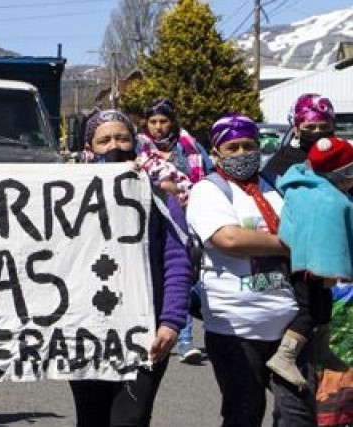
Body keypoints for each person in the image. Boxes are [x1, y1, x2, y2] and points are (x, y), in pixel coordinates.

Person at [186, 113, 317, 426]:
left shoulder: (275, 186)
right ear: (216, 153)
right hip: (236, 327)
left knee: (297, 415)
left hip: (289, 324)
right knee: (244, 412)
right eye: (233, 147)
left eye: (249, 145)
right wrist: (291, 243)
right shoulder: (210, 190)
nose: (243, 153)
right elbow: (228, 238)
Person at [69, 108, 191, 426]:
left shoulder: (158, 196)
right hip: (85, 332)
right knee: (91, 419)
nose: (114, 147)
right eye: (104, 140)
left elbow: (177, 260)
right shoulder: (66, 199)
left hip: (144, 331)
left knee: (131, 418)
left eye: (122, 138)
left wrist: (171, 322)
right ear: (89, 147)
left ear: (135, 143)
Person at [135, 98, 214, 364]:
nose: (158, 127)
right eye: (153, 122)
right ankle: (184, 340)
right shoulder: (139, 149)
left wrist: (188, 194)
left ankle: (187, 334)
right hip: (159, 221)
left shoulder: (189, 147)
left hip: (192, 219)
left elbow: (209, 177)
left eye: (163, 121)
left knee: (190, 274)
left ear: (172, 122)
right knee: (174, 272)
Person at [268, 136, 349, 388]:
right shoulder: (330, 200)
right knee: (310, 311)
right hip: (309, 266)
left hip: (302, 260)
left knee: (323, 308)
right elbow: (327, 237)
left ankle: (322, 351)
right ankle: (284, 356)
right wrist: (326, 267)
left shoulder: (302, 186)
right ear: (337, 174)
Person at [262, 93, 336, 187]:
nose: (318, 132)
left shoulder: (344, 156)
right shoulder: (280, 164)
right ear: (296, 129)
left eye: (324, 127)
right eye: (310, 127)